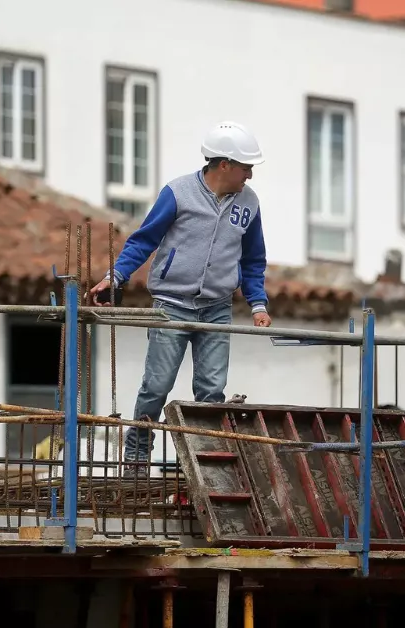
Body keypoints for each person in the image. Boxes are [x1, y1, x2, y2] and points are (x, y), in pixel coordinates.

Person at [88, 121, 272, 476]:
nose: (250, 175)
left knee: (211, 392)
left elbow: (253, 259)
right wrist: (115, 276)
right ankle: (137, 458)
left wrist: (258, 304)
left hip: (217, 309)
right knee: (156, 386)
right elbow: (143, 240)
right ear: (224, 165)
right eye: (246, 167)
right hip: (171, 306)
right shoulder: (178, 192)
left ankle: (206, 466)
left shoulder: (249, 203)